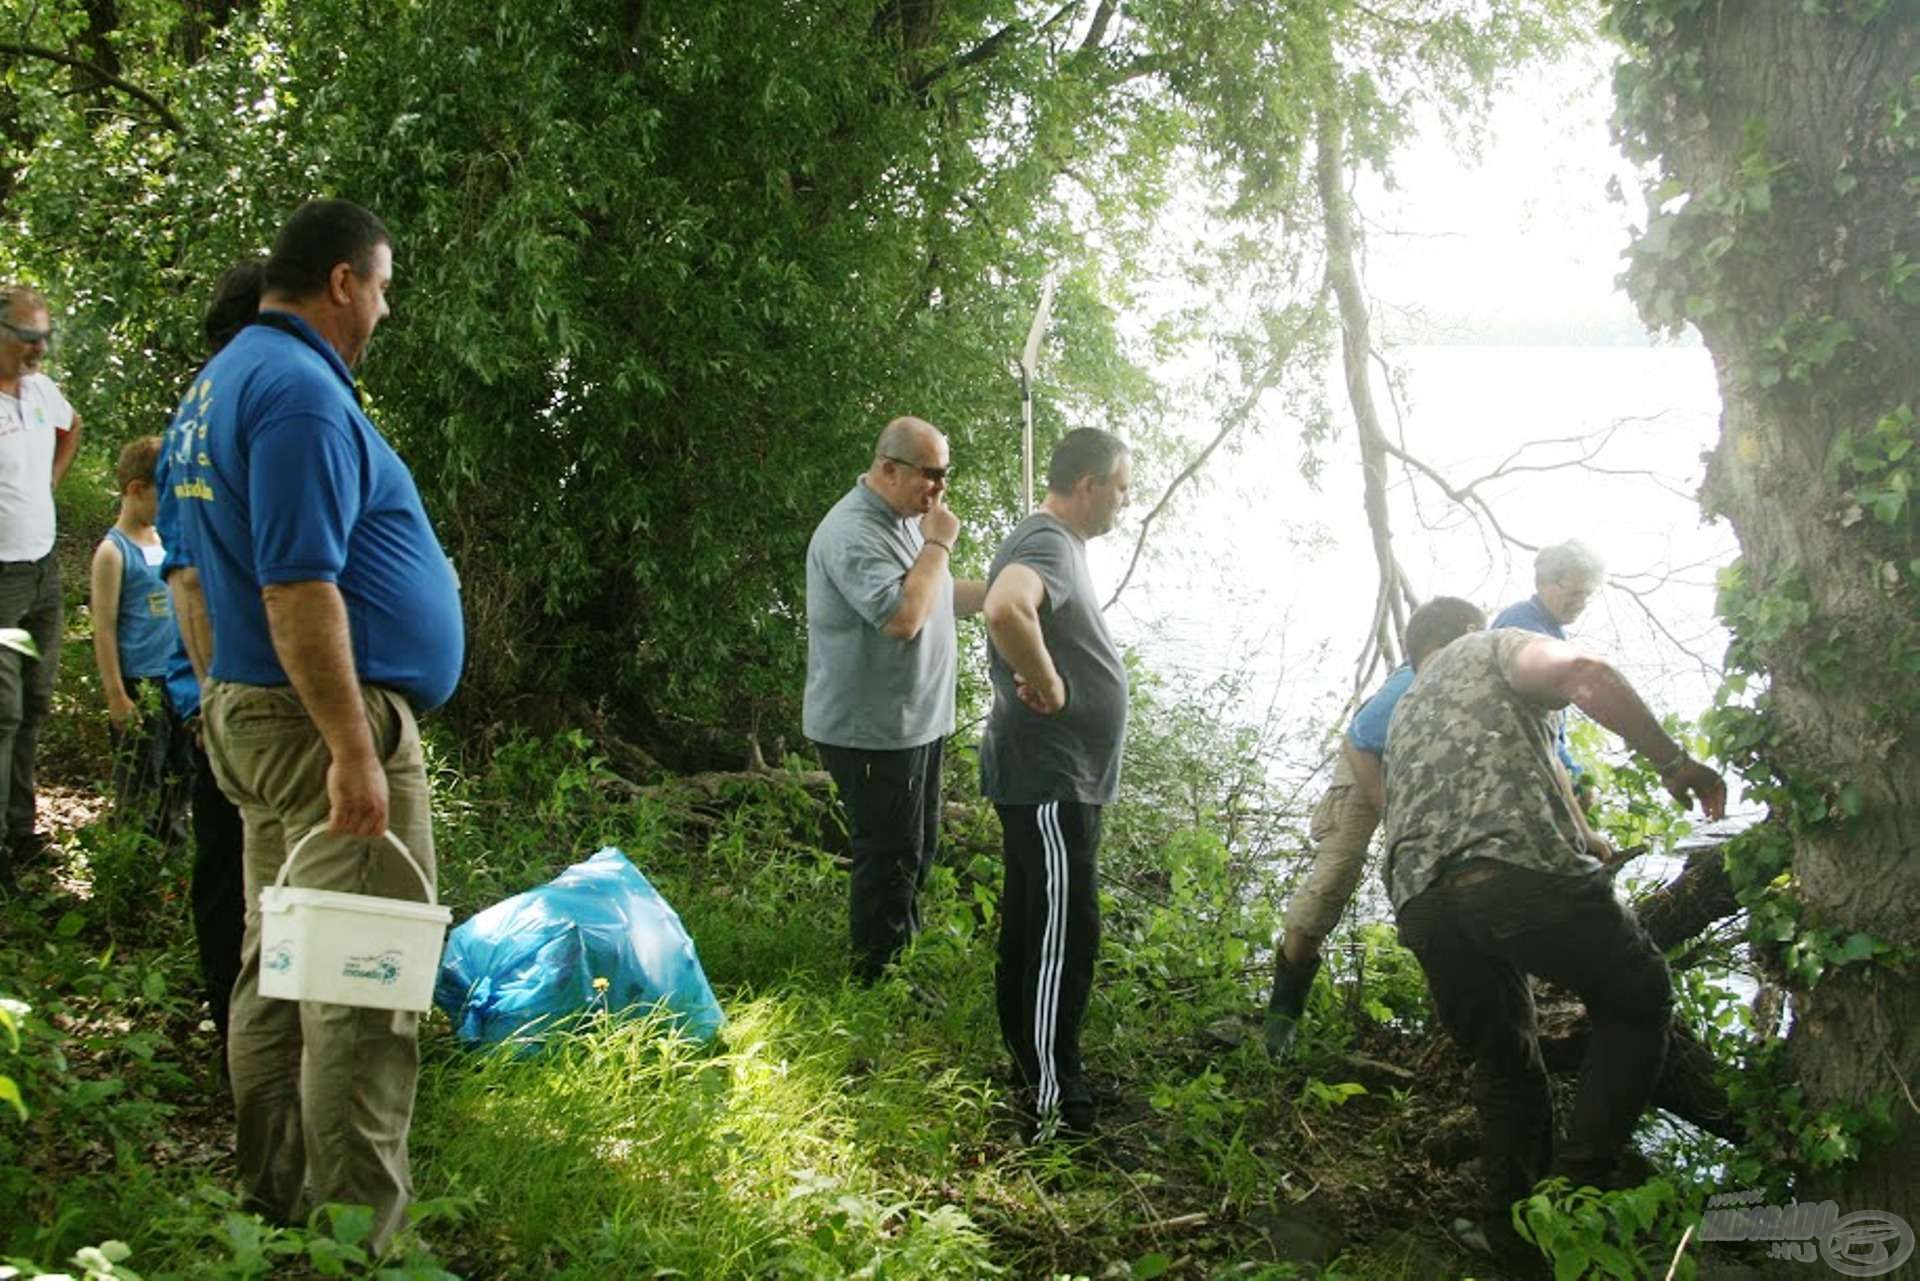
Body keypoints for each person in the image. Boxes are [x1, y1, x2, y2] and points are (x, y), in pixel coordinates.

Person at [161, 200, 464, 1249]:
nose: (382, 309)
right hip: (324, 728)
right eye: (381, 287)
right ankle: (354, 1242)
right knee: (362, 985)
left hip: (258, 715)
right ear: (343, 281)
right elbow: (297, 587)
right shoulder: (293, 392)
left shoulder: (216, 386)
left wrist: (214, 700)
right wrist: (349, 747)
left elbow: (192, 579)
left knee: (282, 965)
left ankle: (276, 1198)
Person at [1381, 603, 1726, 1261]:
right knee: (1637, 994)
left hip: (1422, 903)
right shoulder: (1491, 646)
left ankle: (1516, 1239)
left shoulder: (1404, 711)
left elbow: (1493, 792)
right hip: (1512, 870)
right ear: (1465, 630)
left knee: (1506, 1062)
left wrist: (1589, 838)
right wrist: (1672, 760)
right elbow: (1585, 673)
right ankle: (1576, 1193)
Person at [981, 427, 1131, 1140]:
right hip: (1050, 776)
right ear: (1089, 484)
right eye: (1122, 486)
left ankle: (1036, 1069)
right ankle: (1053, 1103)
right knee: (1064, 933)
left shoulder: (1055, 544)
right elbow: (1006, 606)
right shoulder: (1046, 540)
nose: (1126, 502)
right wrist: (1052, 686)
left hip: (1050, 777)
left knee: (1038, 921)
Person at [804, 416, 986, 982]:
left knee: (917, 848)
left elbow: (934, 593)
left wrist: (1010, 589)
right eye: (930, 475)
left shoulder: (906, 519)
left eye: (945, 476)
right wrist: (937, 542)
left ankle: (897, 964)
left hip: (915, 725)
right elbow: (903, 618)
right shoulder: (852, 532)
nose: (939, 490)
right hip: (872, 731)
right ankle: (874, 984)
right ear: (888, 468)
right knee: (889, 859)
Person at [1263, 598, 1486, 1058]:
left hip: (1411, 776)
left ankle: (1459, 1016)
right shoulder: (1411, 680)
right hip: (1364, 772)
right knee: (1335, 878)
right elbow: (1361, 739)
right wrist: (1390, 811)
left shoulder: (1470, 677)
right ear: (1462, 631)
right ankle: (1281, 1019)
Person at [156, 259, 262, 1062]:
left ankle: (241, 1034)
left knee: (225, 869)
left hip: (216, 690)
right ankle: (248, 1042)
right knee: (239, 872)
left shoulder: (196, 407)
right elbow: (187, 575)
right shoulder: (241, 401)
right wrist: (211, 696)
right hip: (233, 691)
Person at [0, 284, 82, 892]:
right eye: (28, 338)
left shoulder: (39, 391)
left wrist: (46, 488)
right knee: (0, 713)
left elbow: (72, 427)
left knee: (34, 705)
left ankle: (21, 833)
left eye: (44, 337)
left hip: (43, 572)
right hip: (0, 576)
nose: (39, 349)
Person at [89, 436, 193, 845]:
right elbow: (104, 627)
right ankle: (133, 856)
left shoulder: (166, 541)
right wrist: (116, 694)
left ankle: (171, 850)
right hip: (139, 684)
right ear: (136, 490)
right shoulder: (113, 554)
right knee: (140, 776)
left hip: (177, 680)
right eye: (163, 496)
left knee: (180, 769)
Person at [1495, 540, 1606, 803]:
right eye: (1573, 593)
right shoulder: (1522, 624)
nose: (1581, 603)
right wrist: (1570, 771)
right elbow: (1531, 716)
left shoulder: (1552, 631)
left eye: (1587, 595)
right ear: (1542, 583)